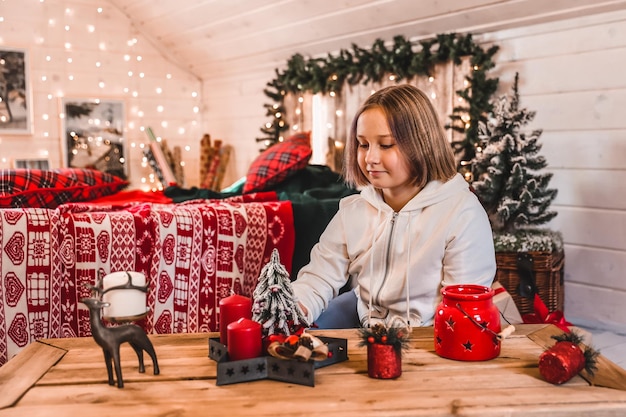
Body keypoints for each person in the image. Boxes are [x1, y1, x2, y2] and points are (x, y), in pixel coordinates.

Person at [291, 83, 496, 329]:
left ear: (422, 144)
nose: (370, 158)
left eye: (386, 145)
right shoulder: (353, 211)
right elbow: (318, 277)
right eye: (363, 144)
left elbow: (462, 310)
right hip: (370, 335)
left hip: (430, 343)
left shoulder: (462, 213)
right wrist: (296, 305)